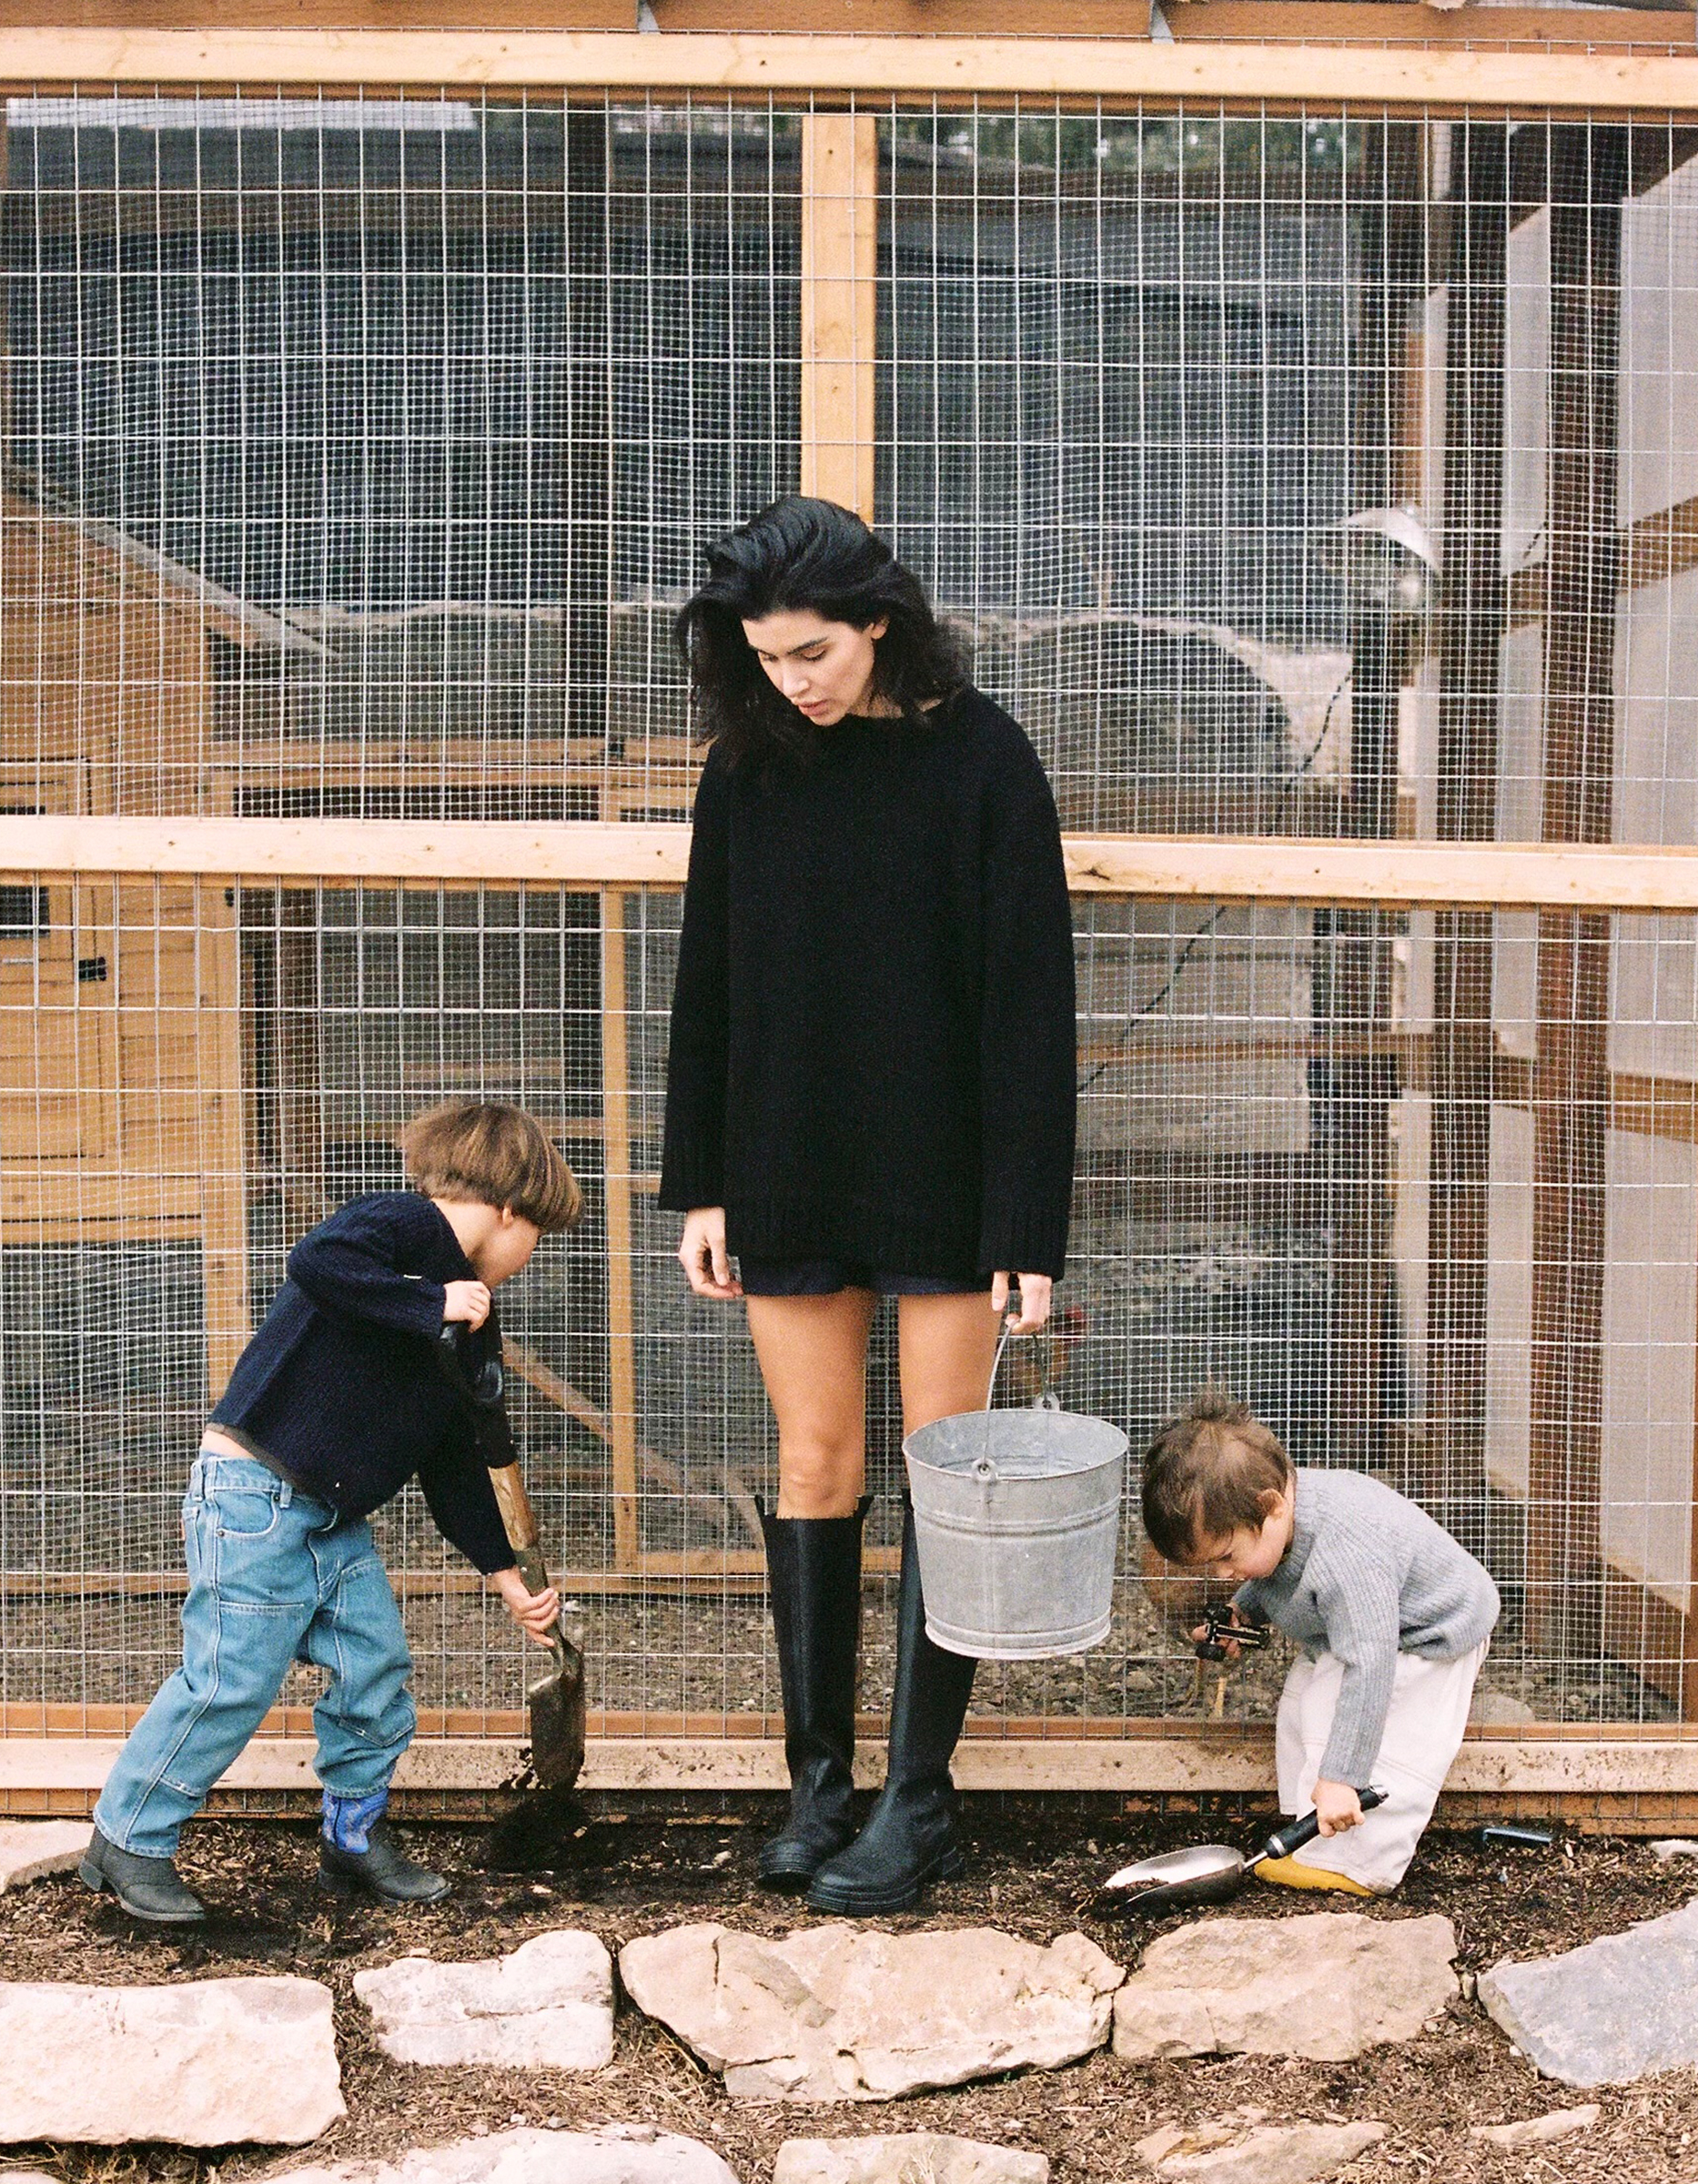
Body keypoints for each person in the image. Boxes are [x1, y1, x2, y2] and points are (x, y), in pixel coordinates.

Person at [662, 495, 1077, 1915]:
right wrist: (700, 1183)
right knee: (815, 1465)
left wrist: (1026, 1230)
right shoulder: (749, 771)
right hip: (784, 1159)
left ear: (879, 622)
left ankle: (918, 1803)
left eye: (814, 653)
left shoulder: (985, 763)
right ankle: (816, 1793)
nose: (795, 683)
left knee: (943, 1484)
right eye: (768, 660)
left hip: (946, 1177)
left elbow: (1032, 1013)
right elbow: (704, 984)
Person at [80, 1099, 581, 1924]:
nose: (531, 1256)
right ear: (506, 1206)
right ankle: (129, 1838)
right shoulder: (397, 1226)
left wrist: (505, 1576)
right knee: (228, 1682)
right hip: (254, 1497)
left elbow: (455, 1463)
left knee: (373, 1669)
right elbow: (319, 1261)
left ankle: (353, 1837)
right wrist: (431, 1304)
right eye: (538, 1234)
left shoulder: (468, 1324)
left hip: (330, 1521)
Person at [1142, 1385, 1501, 1896]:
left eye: (1225, 1557)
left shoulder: (1348, 1552)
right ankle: (1308, 1837)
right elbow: (1279, 1573)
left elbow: (1371, 1668)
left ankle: (1361, 1865)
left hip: (1425, 1638)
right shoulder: (1279, 1515)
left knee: (1390, 1749)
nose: (1222, 1574)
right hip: (1366, 1632)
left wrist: (1343, 1777)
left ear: (1271, 1507)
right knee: (1301, 1709)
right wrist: (1243, 1610)